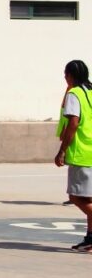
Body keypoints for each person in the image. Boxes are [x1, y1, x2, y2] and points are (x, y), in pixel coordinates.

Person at [54, 60, 92, 251]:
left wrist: (62, 150)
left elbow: (73, 124)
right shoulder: (90, 92)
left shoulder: (75, 94)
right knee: (88, 199)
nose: (64, 77)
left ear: (71, 75)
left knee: (76, 197)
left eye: (65, 73)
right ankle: (90, 237)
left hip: (82, 153)